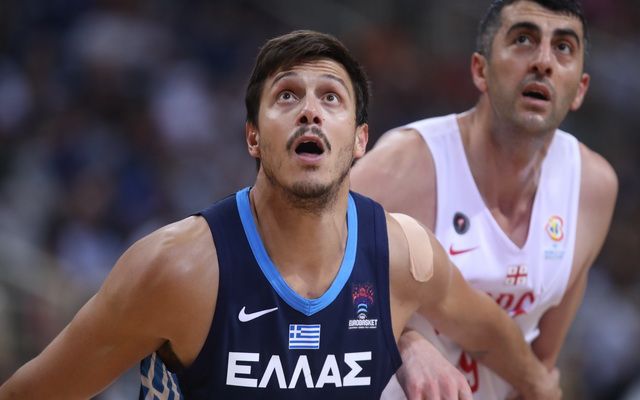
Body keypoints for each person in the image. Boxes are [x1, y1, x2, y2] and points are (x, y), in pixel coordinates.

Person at [0, 30, 560, 400]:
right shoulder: (177, 268)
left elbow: (490, 333)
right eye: (287, 96)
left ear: (359, 140)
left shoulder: (403, 257)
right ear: (253, 137)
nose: (310, 110)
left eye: (331, 98)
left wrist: (539, 384)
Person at [351, 0, 618, 399]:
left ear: (579, 89)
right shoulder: (405, 164)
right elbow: (305, 277)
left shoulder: (593, 186)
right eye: (523, 40)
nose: (543, 62)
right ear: (480, 70)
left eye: (563, 47)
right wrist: (404, 345)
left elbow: (540, 366)